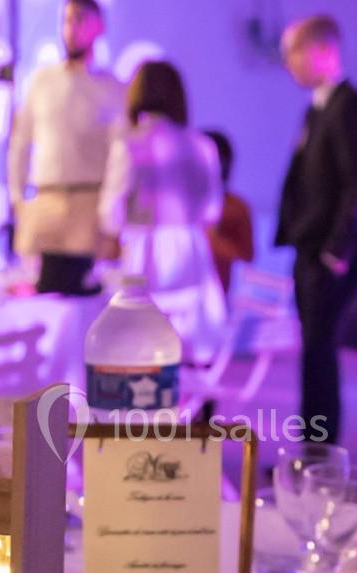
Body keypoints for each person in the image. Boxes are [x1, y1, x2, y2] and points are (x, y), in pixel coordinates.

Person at [275, 14, 357, 444]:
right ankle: (312, 447)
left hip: (329, 255)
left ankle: (318, 451)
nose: (289, 65)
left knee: (320, 354)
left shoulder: (350, 108)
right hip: (311, 248)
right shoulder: (318, 108)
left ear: (322, 50)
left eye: (293, 53)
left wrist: (338, 249)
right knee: (313, 354)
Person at [98, 61, 228, 363]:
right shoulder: (202, 145)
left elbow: (111, 209)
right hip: (191, 250)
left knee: (142, 343)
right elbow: (212, 208)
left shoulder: (131, 144)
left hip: (146, 250)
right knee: (185, 341)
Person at [8, 0, 124, 295]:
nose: (72, 28)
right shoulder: (42, 80)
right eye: (68, 20)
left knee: (83, 293)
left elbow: (119, 156)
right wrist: (18, 197)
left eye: (82, 20)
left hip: (89, 202)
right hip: (46, 199)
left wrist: (109, 215)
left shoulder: (112, 87)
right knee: (38, 289)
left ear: (100, 27)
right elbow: (21, 142)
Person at [203, 129, 255, 293]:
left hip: (216, 294)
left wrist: (210, 240)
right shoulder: (179, 205)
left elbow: (247, 254)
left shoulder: (236, 207)